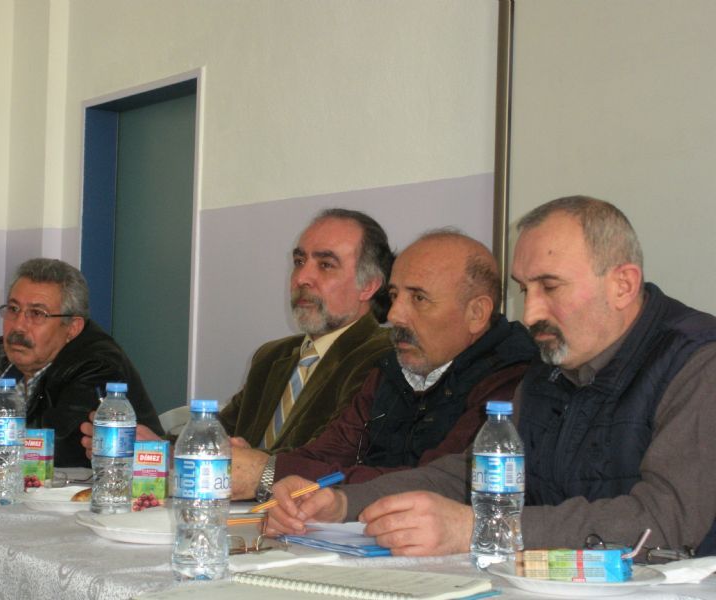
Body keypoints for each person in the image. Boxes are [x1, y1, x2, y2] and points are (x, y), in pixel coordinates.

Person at [266, 196, 716, 557]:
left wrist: (481, 528)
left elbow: (666, 521)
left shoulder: (697, 362)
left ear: (623, 284)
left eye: (549, 287)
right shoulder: (549, 368)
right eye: (524, 289)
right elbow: (473, 474)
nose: (530, 313)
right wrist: (345, 503)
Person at [230, 229, 536, 500]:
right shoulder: (391, 369)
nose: (393, 315)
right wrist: (257, 464)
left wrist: (267, 473)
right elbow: (327, 453)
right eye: (394, 295)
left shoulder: (512, 380)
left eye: (418, 298)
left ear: (476, 313)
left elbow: (437, 483)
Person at [81, 208, 394, 459]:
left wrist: (242, 463)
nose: (302, 277)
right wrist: (150, 446)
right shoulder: (272, 356)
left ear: (368, 285)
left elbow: (329, 456)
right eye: (299, 261)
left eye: (325, 265)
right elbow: (219, 434)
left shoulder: (383, 356)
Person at [0, 258, 163, 468]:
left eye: (37, 313)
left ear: (72, 327)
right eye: (14, 309)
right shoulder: (1, 353)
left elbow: (56, 446)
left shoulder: (98, 364)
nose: (18, 326)